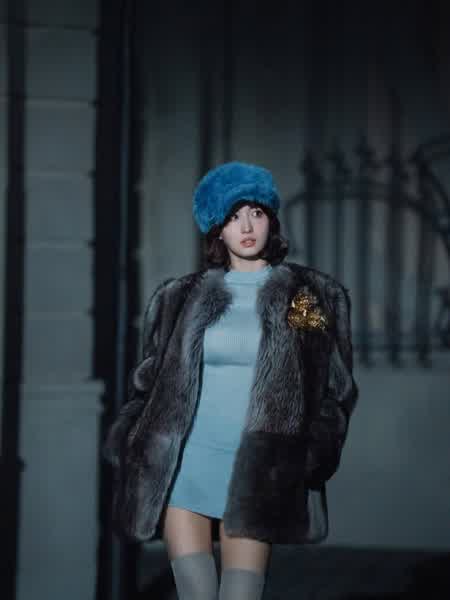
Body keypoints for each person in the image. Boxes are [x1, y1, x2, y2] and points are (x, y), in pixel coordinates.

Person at [103, 161, 358, 600]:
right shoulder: (179, 297)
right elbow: (148, 383)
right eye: (233, 216)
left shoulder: (302, 297)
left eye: (256, 213)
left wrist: (312, 453)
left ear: (271, 220)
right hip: (185, 468)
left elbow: (332, 383)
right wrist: (130, 440)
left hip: (256, 475)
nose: (246, 226)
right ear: (217, 229)